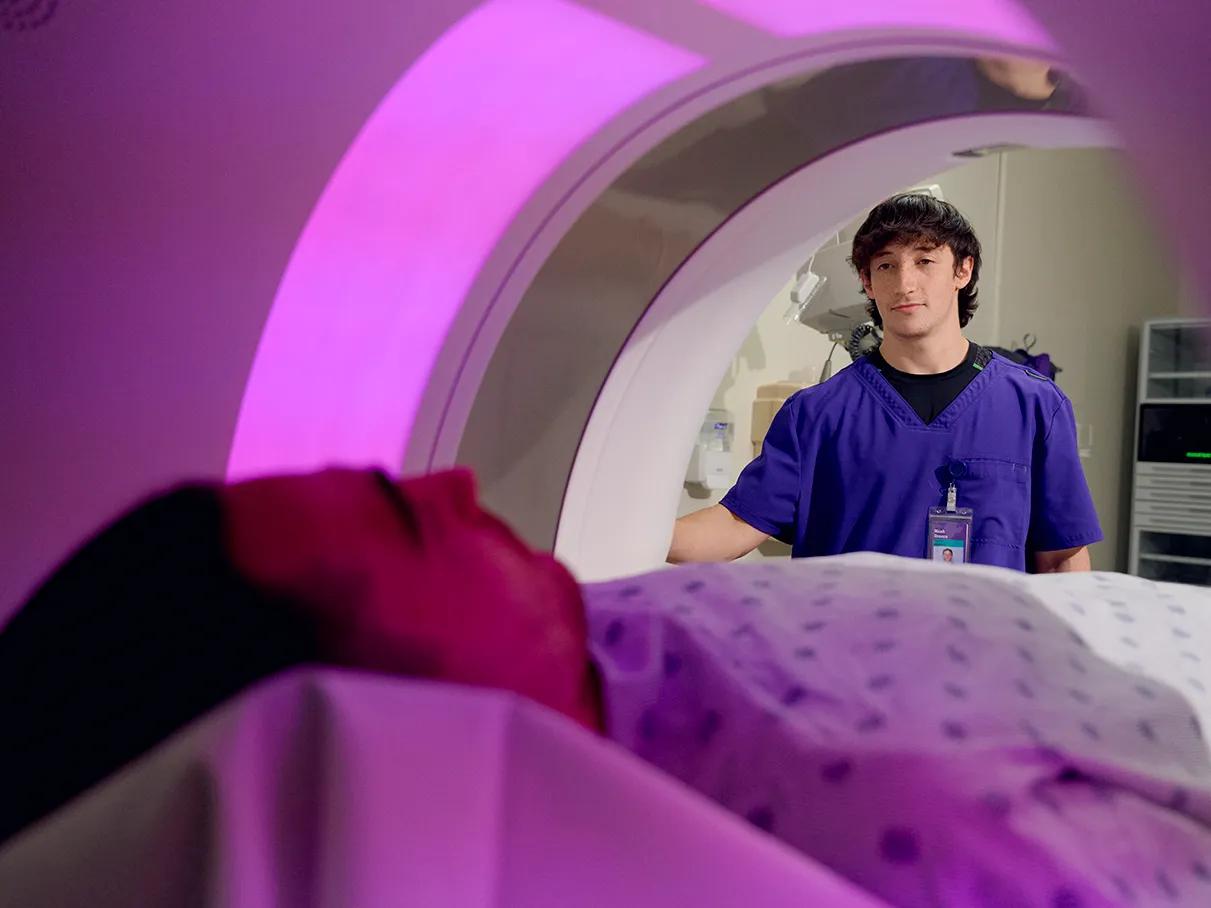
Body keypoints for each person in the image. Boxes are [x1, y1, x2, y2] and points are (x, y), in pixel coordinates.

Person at [2, 469, 1208, 908]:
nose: (460, 478)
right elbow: (735, 524)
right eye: (400, 518)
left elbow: (1069, 555)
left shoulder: (594, 616)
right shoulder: (897, 807)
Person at [669, 193, 1102, 572]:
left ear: (963, 271)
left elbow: (1061, 558)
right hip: (851, 656)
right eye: (886, 265)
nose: (904, 282)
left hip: (982, 658)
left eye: (925, 261)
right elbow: (735, 525)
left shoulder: (1033, 406)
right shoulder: (817, 415)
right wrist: (628, 530)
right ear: (867, 282)